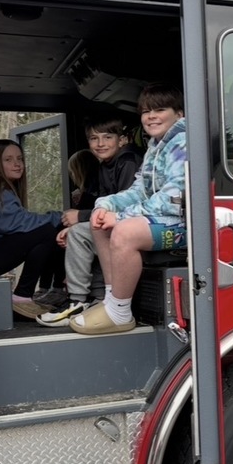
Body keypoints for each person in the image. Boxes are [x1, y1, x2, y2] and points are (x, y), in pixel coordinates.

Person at [70, 84, 187, 335]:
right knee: (99, 221)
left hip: (187, 224)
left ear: (179, 114)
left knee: (123, 231)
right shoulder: (156, 146)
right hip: (164, 218)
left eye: (159, 109)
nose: (151, 116)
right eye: (146, 111)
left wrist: (121, 216)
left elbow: (175, 199)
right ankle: (113, 300)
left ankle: (120, 312)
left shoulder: (182, 142)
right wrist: (106, 205)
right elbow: (140, 190)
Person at [37, 119, 142, 327]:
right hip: (116, 224)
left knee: (81, 232)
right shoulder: (105, 166)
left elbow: (127, 204)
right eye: (94, 138)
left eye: (107, 137)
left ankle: (78, 300)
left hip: (134, 225)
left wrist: (81, 217)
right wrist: (79, 223)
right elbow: (102, 207)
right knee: (80, 232)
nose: (100, 143)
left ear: (122, 140)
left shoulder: (128, 161)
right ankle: (94, 298)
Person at [0, 139, 67, 320]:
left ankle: (50, 289)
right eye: (8, 159)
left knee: (48, 230)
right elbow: (16, 223)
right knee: (47, 231)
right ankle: (23, 295)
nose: (17, 164)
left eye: (19, 158)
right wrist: (62, 216)